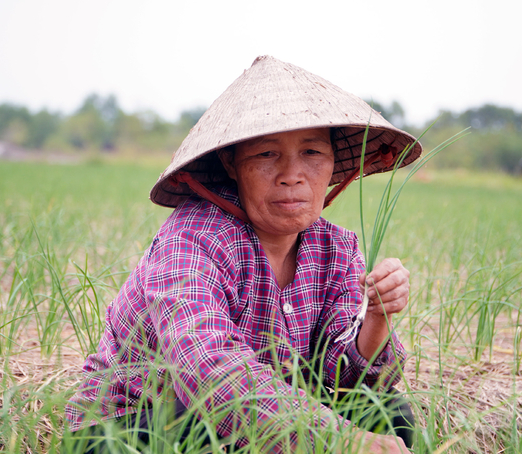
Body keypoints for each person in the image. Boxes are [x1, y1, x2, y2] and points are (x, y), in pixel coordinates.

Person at [65, 55, 422, 453]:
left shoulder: (337, 249)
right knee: (211, 427)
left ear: (334, 163)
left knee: (389, 414)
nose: (291, 174)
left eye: (312, 153)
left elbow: (344, 385)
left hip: (257, 417)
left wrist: (377, 318)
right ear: (231, 165)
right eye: (267, 155)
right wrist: (342, 441)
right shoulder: (194, 238)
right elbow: (210, 374)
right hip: (135, 423)